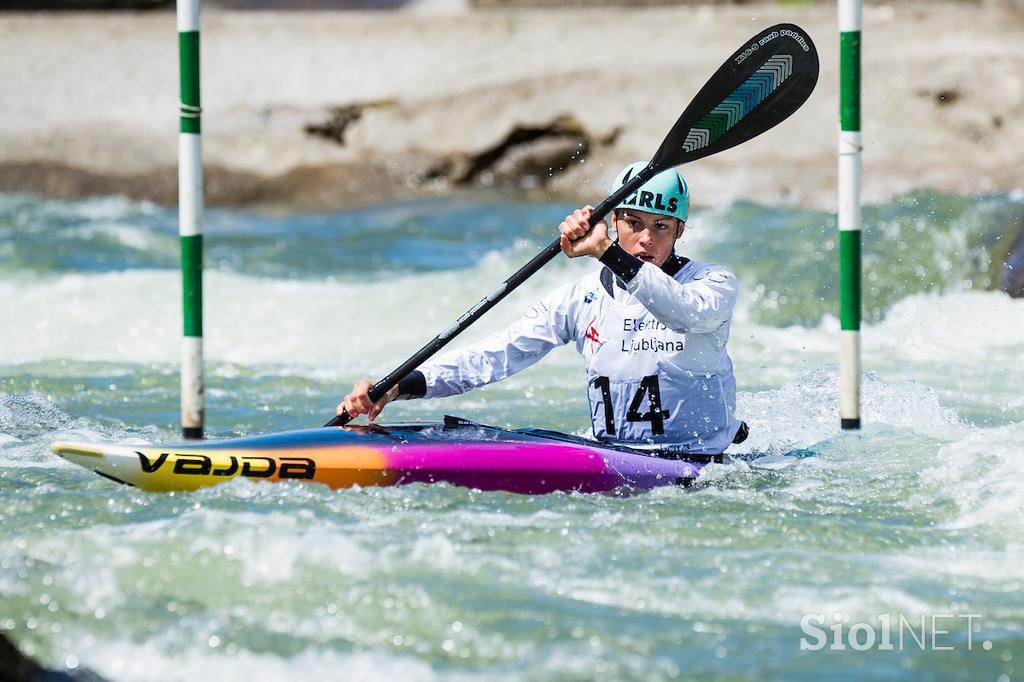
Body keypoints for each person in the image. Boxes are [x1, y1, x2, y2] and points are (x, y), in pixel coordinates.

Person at [339, 161, 745, 455]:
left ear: (680, 231)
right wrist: (397, 387)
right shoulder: (579, 299)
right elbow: (494, 356)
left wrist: (604, 251)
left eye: (661, 226)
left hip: (700, 462)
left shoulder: (712, 283)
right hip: (615, 452)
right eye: (634, 223)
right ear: (615, 221)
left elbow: (685, 314)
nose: (646, 239)